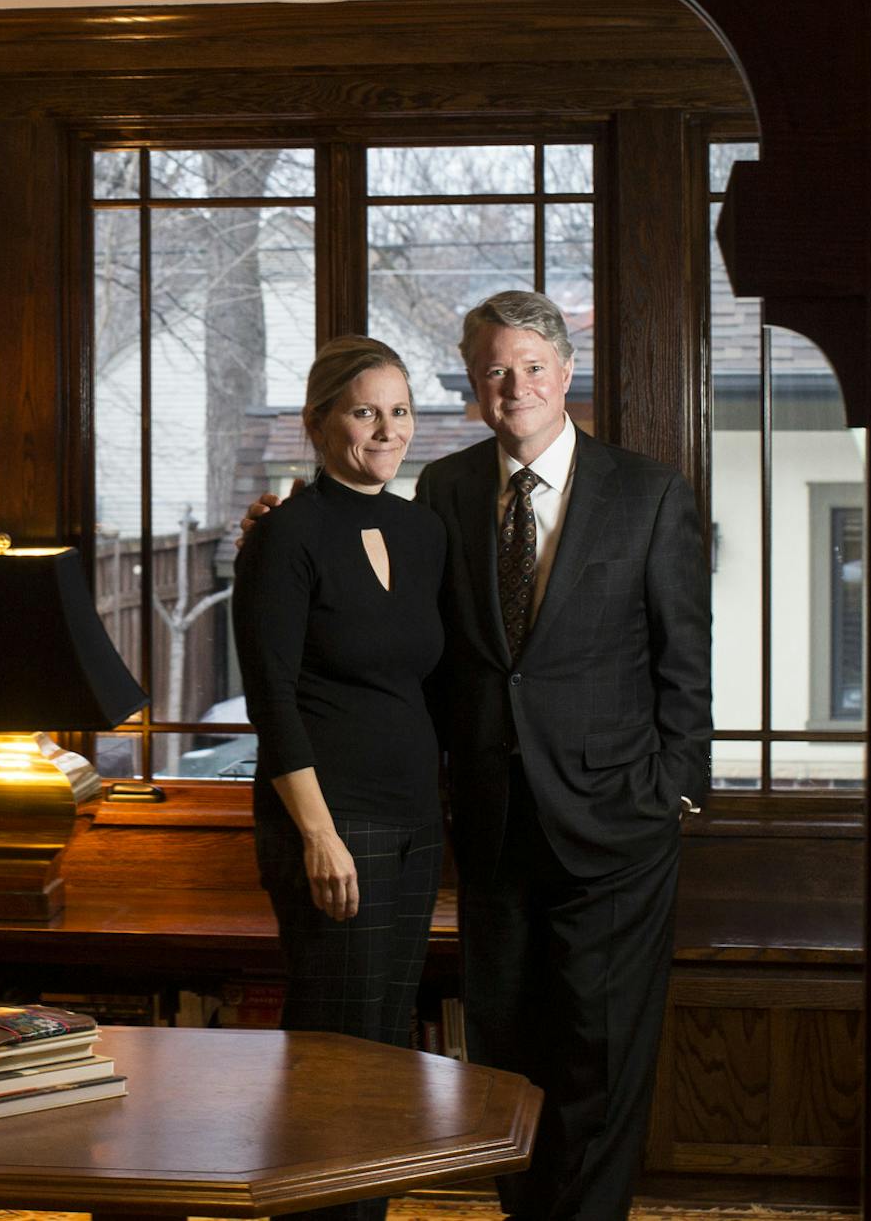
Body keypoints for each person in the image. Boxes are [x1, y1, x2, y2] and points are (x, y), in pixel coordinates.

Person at [240, 293, 711, 1221]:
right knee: (507, 1052)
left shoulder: (648, 492)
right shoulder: (444, 494)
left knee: (604, 1053)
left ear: (566, 374)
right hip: (490, 823)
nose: (516, 385)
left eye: (533, 366)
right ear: (475, 386)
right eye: (495, 370)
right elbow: (367, 600)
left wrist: (674, 793)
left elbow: (684, 662)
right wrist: (279, 521)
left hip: (618, 822)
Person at [230, 336, 447, 1221]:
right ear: (319, 422)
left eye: (400, 411)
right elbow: (271, 701)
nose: (386, 429)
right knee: (334, 1060)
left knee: (384, 1054)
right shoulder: (281, 537)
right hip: (332, 825)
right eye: (366, 411)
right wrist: (318, 835)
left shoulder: (423, 529)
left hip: (413, 822)